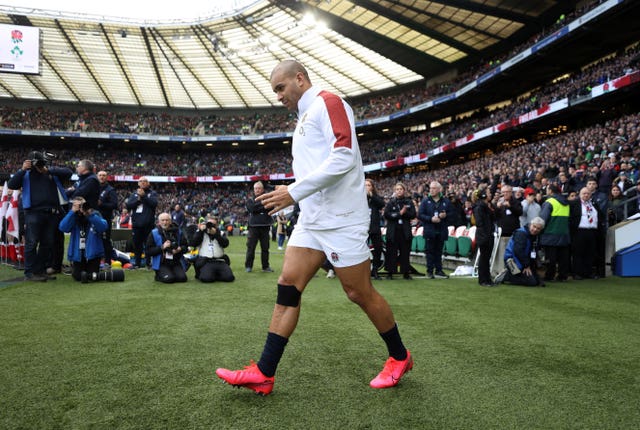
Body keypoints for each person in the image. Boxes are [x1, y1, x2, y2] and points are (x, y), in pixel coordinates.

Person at [216, 60, 412, 395]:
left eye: (280, 88)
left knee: (358, 292)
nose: (278, 96)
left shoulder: (329, 103)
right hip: (312, 218)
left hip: (342, 219)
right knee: (288, 285)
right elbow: (317, 169)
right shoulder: (303, 118)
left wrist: (292, 192)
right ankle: (264, 372)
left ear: (300, 78)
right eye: (274, 90)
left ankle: (399, 356)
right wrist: (296, 194)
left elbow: (344, 157)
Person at [7, 151, 72, 282]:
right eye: (37, 162)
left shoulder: (50, 172)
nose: (39, 165)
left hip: (51, 213)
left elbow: (68, 172)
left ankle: (40, 270)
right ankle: (30, 272)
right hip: (33, 212)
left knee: (47, 244)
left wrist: (48, 169)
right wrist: (22, 169)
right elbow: (12, 184)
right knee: (32, 243)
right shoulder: (26, 174)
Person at [58, 196, 108, 282]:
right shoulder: (73, 216)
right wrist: (72, 211)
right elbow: (63, 227)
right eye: (78, 205)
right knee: (78, 276)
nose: (81, 208)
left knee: (92, 276)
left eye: (82, 205)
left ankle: (94, 274)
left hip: (93, 254)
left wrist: (89, 214)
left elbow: (103, 227)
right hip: (79, 254)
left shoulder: (94, 213)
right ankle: (91, 275)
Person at [494, 217, 545, 287]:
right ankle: (506, 276)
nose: (535, 229)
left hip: (522, 261)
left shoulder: (535, 236)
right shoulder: (521, 234)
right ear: (531, 224)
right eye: (534, 226)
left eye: (538, 228)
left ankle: (512, 275)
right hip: (512, 260)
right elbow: (518, 251)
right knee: (531, 282)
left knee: (539, 282)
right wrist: (526, 266)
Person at [418, 181, 452, 279]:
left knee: (439, 251)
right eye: (430, 188)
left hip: (441, 230)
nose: (431, 190)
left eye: (433, 188)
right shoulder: (425, 201)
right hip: (430, 230)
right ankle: (430, 271)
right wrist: (430, 219)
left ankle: (439, 270)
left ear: (439, 189)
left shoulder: (446, 201)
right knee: (430, 252)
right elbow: (420, 215)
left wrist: (445, 215)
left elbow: (453, 215)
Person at [383, 182, 416, 280]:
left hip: (404, 231)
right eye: (397, 189)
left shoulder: (409, 202)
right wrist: (399, 213)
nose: (399, 191)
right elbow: (387, 215)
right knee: (391, 252)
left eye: (401, 189)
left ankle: (406, 272)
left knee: (405, 252)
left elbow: (413, 214)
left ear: (404, 190)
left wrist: (404, 213)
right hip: (393, 231)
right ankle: (390, 272)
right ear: (395, 191)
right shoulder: (391, 202)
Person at [539, 184, 571, 282]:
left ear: (550, 191)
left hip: (550, 233)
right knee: (563, 258)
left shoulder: (549, 202)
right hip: (564, 234)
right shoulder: (566, 202)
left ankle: (549, 276)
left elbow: (543, 219)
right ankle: (562, 276)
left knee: (550, 258)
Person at [189, 216, 234, 283]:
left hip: (220, 260)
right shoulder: (201, 232)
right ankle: (210, 273)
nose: (211, 226)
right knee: (206, 279)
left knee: (229, 278)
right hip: (206, 261)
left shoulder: (220, 233)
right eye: (209, 224)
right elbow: (193, 243)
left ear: (217, 225)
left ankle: (213, 274)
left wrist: (216, 234)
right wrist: (200, 231)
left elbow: (225, 244)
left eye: (214, 225)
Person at [146, 212, 188, 283]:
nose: (165, 222)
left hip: (175, 262)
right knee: (169, 279)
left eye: (167, 220)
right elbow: (148, 251)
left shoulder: (178, 232)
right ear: (159, 222)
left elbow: (185, 246)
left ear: (170, 221)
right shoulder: (154, 233)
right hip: (162, 263)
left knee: (182, 279)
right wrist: (162, 247)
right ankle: (158, 275)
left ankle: (171, 273)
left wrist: (179, 249)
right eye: (162, 220)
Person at [125, 177, 158, 269]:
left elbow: (154, 204)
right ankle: (137, 263)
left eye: (145, 181)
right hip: (136, 224)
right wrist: (138, 200)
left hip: (148, 224)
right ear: (138, 183)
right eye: (141, 181)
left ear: (148, 183)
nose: (143, 183)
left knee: (148, 244)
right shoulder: (134, 194)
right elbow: (128, 205)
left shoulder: (152, 193)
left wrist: (143, 196)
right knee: (137, 245)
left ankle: (148, 263)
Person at [569, 187, 599, 280]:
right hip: (579, 231)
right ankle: (577, 273)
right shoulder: (574, 203)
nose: (586, 195)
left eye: (588, 193)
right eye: (584, 193)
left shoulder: (593, 204)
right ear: (580, 194)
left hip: (592, 231)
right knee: (578, 253)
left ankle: (588, 272)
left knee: (590, 253)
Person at [244, 181, 273, 273]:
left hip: (265, 226)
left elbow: (270, 207)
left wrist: (258, 207)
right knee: (251, 247)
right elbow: (252, 209)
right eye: (255, 188)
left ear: (262, 189)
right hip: (253, 227)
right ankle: (248, 266)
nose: (257, 190)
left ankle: (265, 266)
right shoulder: (250, 200)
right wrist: (263, 205)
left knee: (265, 248)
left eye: (259, 188)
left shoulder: (268, 198)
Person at [473, 187, 496, 287]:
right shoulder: (480, 207)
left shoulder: (485, 206)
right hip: (484, 236)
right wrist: (486, 235)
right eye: (488, 193)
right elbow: (480, 223)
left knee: (486, 258)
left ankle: (487, 279)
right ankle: (483, 280)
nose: (490, 194)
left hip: (487, 235)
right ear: (484, 195)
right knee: (484, 258)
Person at [97, 170, 118, 267]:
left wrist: (102, 204)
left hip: (105, 220)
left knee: (105, 241)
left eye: (104, 175)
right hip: (93, 219)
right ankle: (94, 261)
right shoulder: (94, 188)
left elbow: (114, 205)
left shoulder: (110, 190)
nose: (102, 177)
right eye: (100, 175)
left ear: (107, 177)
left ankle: (107, 261)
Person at [365, 178, 385, 280]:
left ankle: (375, 270)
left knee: (378, 249)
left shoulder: (375, 197)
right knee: (362, 250)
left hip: (374, 228)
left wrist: (372, 196)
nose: (366, 187)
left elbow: (382, 204)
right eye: (365, 185)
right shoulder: (359, 198)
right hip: (363, 229)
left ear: (372, 187)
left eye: (368, 185)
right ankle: (363, 272)